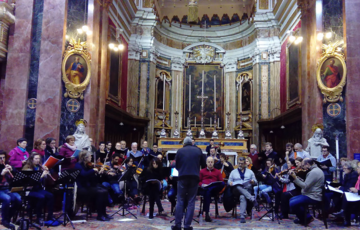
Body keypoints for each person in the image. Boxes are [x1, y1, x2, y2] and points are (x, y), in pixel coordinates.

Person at [172, 137, 205, 230]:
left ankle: (177, 225)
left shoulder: (180, 151)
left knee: (180, 200)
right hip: (194, 177)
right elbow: (203, 164)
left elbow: (176, 165)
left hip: (182, 177)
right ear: (191, 143)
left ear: (184, 143)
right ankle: (187, 225)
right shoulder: (198, 150)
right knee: (191, 201)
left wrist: (182, 170)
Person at [22, 152, 60, 225]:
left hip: (38, 189)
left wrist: (46, 172)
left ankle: (50, 216)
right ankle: (38, 217)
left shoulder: (39, 167)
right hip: (29, 190)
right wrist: (42, 175)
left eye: (39, 159)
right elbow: (31, 181)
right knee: (41, 197)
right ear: (31, 159)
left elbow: (42, 180)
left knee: (50, 195)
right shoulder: (27, 168)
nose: (38, 160)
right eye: (36, 158)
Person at [74, 151, 111, 221]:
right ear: (85, 158)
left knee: (105, 191)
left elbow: (92, 179)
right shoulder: (78, 165)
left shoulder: (88, 165)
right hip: (81, 188)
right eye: (90, 156)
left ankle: (104, 213)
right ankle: (99, 215)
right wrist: (93, 170)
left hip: (88, 187)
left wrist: (98, 173)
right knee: (100, 193)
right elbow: (83, 174)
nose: (91, 157)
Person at [289, 158, 325, 225]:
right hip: (311, 193)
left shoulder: (313, 172)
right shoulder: (316, 170)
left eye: (303, 165)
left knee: (292, 203)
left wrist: (295, 178)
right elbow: (308, 183)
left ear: (307, 164)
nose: (303, 167)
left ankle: (306, 218)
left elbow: (305, 186)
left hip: (313, 196)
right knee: (292, 199)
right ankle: (305, 217)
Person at [228, 157, 257, 223]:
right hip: (236, 190)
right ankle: (251, 198)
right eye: (239, 163)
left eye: (242, 163)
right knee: (238, 186)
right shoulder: (233, 172)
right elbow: (229, 181)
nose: (240, 165)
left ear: (245, 164)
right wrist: (230, 182)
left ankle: (242, 216)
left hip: (247, 189)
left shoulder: (250, 172)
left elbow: (255, 182)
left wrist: (252, 181)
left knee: (243, 196)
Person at [198, 157, 225, 222]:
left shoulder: (217, 172)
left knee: (223, 183)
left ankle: (206, 212)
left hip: (214, 189)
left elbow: (221, 181)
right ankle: (207, 214)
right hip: (204, 188)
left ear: (213, 163)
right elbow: (198, 181)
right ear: (206, 163)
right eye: (209, 162)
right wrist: (202, 185)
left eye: (211, 162)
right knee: (207, 191)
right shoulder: (202, 171)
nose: (210, 163)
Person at [334, 161, 360, 226]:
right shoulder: (347, 175)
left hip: (356, 194)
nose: (357, 169)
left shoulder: (354, 175)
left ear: (349, 168)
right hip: (354, 193)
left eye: (358, 168)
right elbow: (345, 185)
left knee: (346, 198)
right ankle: (338, 211)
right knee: (336, 195)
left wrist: (357, 191)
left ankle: (344, 215)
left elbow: (350, 186)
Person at [0, 150, 21, 230]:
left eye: (3, 158)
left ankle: (8, 217)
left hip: (7, 189)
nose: (2, 160)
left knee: (18, 199)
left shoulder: (7, 165)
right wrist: (1, 174)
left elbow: (17, 177)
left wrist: (12, 169)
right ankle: (5, 220)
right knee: (7, 199)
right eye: (0, 158)